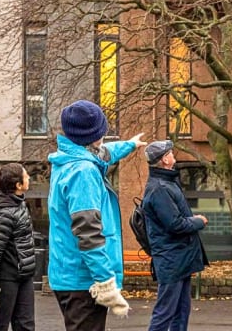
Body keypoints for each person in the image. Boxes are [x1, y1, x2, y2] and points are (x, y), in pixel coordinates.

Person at [47, 100, 147, 331]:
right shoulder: (84, 172)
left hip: (69, 274)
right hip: (84, 281)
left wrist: (130, 145)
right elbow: (88, 231)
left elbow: (105, 154)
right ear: (94, 135)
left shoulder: (68, 160)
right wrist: (105, 282)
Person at [141, 140, 209, 331]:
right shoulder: (160, 188)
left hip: (179, 259)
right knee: (165, 314)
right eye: (171, 153)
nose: (174, 156)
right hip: (172, 259)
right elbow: (175, 224)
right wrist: (198, 221)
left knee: (181, 311)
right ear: (164, 160)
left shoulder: (166, 183)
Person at [0, 163, 36, 331]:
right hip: (6, 279)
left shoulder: (18, 204)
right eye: (26, 176)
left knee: (25, 326)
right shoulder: (4, 213)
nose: (29, 178)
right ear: (18, 185)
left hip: (23, 275)